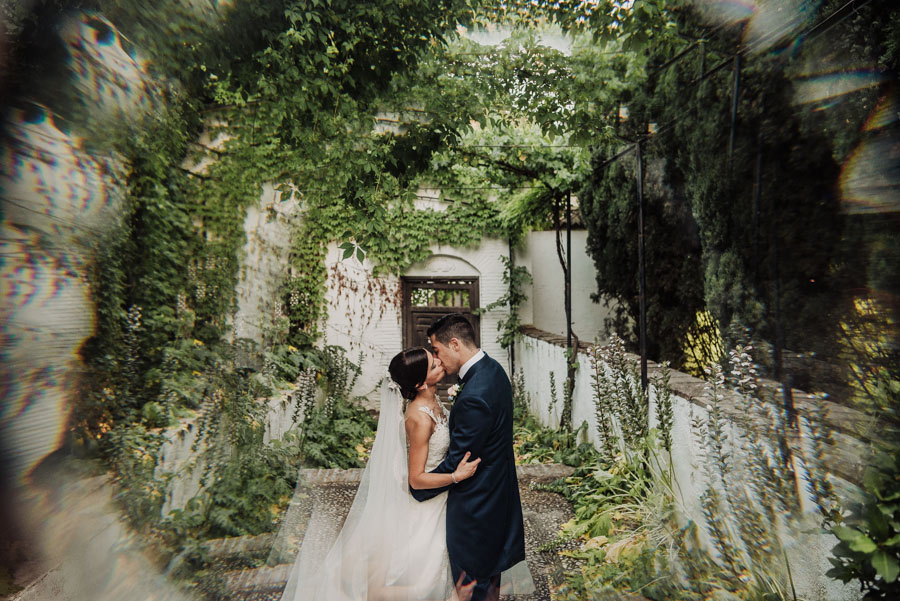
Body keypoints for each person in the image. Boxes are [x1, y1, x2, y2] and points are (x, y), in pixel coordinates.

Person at [279, 347, 481, 601]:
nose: (440, 362)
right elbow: (415, 479)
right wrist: (456, 476)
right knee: (421, 573)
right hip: (424, 505)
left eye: (434, 357)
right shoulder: (419, 418)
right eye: (433, 365)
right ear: (419, 383)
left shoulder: (433, 400)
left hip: (439, 499)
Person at [410, 313, 528, 601]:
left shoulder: (475, 392)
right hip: (495, 498)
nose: (437, 360)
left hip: (476, 510)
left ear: (454, 344)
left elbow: (459, 461)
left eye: (436, 351)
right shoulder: (493, 370)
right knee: (486, 587)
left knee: (472, 589)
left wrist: (417, 491)